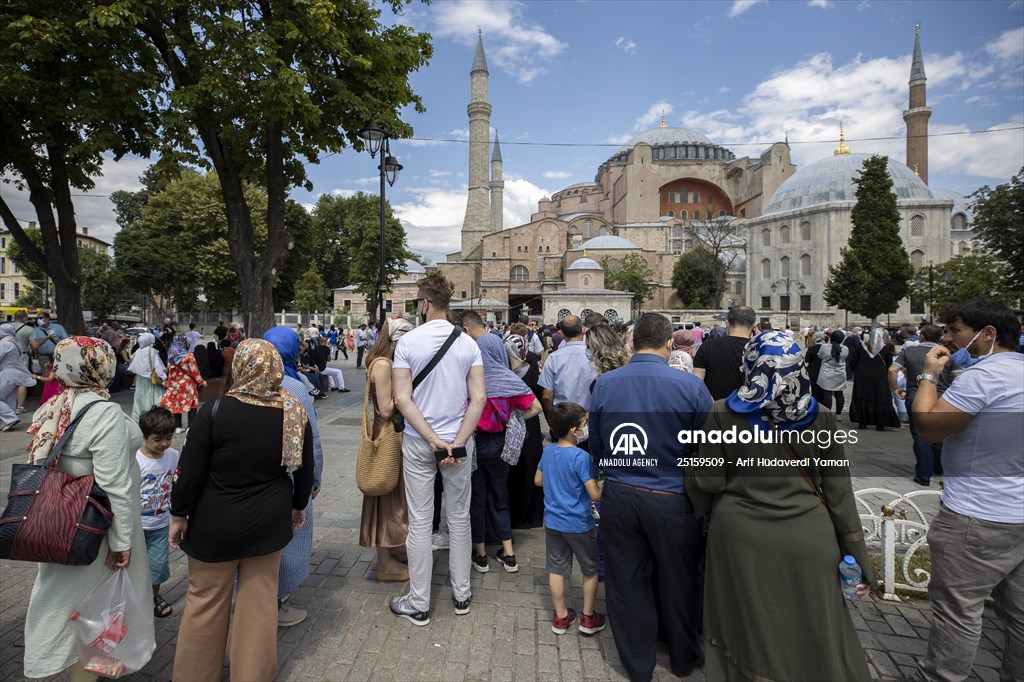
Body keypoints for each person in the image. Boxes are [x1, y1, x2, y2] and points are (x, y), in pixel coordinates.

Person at [687, 330, 874, 681]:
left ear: (750, 365)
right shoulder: (821, 417)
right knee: (811, 624)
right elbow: (839, 496)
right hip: (808, 538)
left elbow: (710, 481)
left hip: (740, 538)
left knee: (745, 623)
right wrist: (859, 559)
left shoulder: (723, 412)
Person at [170, 338, 314, 681]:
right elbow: (305, 472)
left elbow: (189, 473)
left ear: (240, 368)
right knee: (259, 606)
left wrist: (179, 514)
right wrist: (298, 507)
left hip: (214, 523)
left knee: (205, 603)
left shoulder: (215, 412)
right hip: (268, 522)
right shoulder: (293, 412)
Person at [589, 313, 714, 681]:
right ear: (669, 344)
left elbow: (597, 444)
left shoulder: (606, 384)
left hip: (621, 494)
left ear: (633, 342)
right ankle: (682, 656)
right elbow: (705, 448)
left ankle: (637, 663)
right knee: (678, 580)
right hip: (672, 497)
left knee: (627, 582)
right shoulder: (689, 387)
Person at [22, 337, 150, 681]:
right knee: (96, 609)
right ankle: (87, 675)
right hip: (96, 529)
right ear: (100, 366)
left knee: (70, 605)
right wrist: (122, 541)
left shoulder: (54, 405)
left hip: (59, 523)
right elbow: (115, 484)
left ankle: (82, 670)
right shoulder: (103, 412)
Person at [911, 300, 1024, 682]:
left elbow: (928, 427)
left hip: (979, 515)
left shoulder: (983, 377)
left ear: (987, 333)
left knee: (958, 612)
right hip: (1017, 513)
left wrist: (928, 376)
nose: (947, 337)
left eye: (955, 330)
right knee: (1019, 617)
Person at [389, 272, 485, 625]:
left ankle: (420, 601)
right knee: (459, 518)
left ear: (425, 304)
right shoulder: (467, 343)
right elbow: (479, 398)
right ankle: (461, 593)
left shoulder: (409, 342)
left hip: (419, 441)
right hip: (460, 441)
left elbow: (402, 398)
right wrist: (457, 442)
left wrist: (432, 440)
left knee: (420, 520)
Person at [263, 326, 326, 626]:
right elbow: (311, 441)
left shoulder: (245, 382)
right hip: (289, 478)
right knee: (287, 538)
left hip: (252, 479)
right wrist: (315, 478)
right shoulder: (297, 388)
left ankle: (258, 600)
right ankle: (274, 605)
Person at [469, 330, 542, 573]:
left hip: (477, 444)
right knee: (499, 495)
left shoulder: (471, 379)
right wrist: (514, 419)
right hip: (501, 444)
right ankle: (508, 553)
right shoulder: (509, 380)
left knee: (477, 499)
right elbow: (536, 407)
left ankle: (480, 554)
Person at [535, 402, 604, 636]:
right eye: (584, 423)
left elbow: (537, 480)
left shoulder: (548, 451)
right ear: (575, 430)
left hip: (553, 522)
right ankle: (588, 617)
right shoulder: (581, 457)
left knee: (557, 569)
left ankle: (561, 617)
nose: (586, 427)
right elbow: (594, 493)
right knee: (590, 569)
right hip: (579, 524)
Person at [359, 319, 413, 582]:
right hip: (387, 437)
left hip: (389, 435)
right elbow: (386, 409)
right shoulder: (382, 365)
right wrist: (405, 390)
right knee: (386, 500)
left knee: (392, 499)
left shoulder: (384, 362)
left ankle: (393, 551)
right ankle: (384, 563)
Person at [890, 324, 948, 486]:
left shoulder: (910, 351)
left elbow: (892, 370)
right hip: (941, 398)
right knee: (939, 433)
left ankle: (924, 474)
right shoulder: (947, 353)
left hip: (916, 397)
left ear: (922, 336)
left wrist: (895, 388)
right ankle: (938, 466)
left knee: (920, 435)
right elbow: (958, 375)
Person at [135, 406, 180, 619]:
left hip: (161, 524)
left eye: (169, 438)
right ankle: (130, 599)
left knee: (158, 564)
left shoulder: (172, 455)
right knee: (132, 564)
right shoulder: (135, 459)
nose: (164, 444)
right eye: (158, 439)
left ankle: (153, 597)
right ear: (144, 437)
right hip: (136, 525)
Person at [538, 315, 599, 422]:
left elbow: (547, 395)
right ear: (582, 330)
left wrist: (551, 420)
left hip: (563, 417)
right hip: (589, 417)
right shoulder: (595, 356)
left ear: (562, 333)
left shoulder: (554, 358)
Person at [693, 305, 755, 400]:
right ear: (753, 326)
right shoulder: (758, 348)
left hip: (715, 408)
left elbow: (697, 381)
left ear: (727, 323)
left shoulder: (708, 346)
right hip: (749, 408)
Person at [849, 327, 900, 431]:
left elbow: (853, 361)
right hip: (879, 376)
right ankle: (880, 424)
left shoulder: (861, 346)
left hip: (862, 375)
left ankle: (862, 423)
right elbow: (889, 364)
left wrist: (854, 371)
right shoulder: (885, 348)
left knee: (863, 395)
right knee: (880, 397)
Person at [159, 336, 206, 433]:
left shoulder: (171, 356)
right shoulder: (189, 356)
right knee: (192, 404)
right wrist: (201, 382)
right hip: (187, 383)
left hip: (174, 383)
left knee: (176, 403)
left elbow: (169, 370)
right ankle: (190, 426)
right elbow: (194, 371)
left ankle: (178, 427)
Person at [0, 323, 36, 431]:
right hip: (15, 375)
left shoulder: (5, 343)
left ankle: (10, 419)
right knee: (9, 399)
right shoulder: (15, 342)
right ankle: (9, 422)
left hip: (7, 374)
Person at [128, 332, 167, 422]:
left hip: (140, 380)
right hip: (151, 380)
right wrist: (164, 378)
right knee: (152, 399)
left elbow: (133, 366)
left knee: (139, 401)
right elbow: (158, 367)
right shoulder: (152, 351)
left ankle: (139, 420)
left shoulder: (137, 351)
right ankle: (152, 420)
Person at [817, 330, 849, 416]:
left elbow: (820, 356)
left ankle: (828, 413)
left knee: (827, 394)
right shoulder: (845, 348)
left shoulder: (824, 347)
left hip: (826, 373)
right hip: (840, 373)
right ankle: (838, 414)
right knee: (839, 394)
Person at [804, 330, 827, 403]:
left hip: (813, 370)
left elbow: (807, 359)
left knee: (814, 389)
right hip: (824, 370)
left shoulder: (812, 348)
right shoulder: (827, 348)